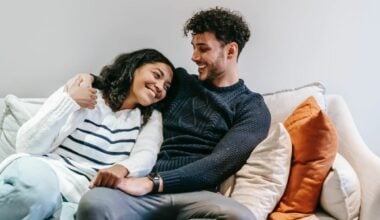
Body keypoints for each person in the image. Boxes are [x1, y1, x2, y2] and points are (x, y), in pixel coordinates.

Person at [77, 7, 271, 220]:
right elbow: (128, 83)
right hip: (141, 188)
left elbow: (218, 164)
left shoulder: (251, 106)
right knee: (94, 203)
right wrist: (88, 79)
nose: (194, 57)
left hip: (196, 193)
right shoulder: (178, 82)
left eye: (203, 49)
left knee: (240, 217)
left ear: (231, 51)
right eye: (194, 48)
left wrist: (154, 183)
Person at [0, 48, 175, 220]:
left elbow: (147, 153)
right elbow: (27, 146)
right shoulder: (85, 90)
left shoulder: (150, 118)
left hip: (79, 195)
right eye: (156, 75)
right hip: (45, 173)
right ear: (134, 67)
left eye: (166, 86)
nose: (160, 87)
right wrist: (69, 101)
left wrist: (121, 169)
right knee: (38, 192)